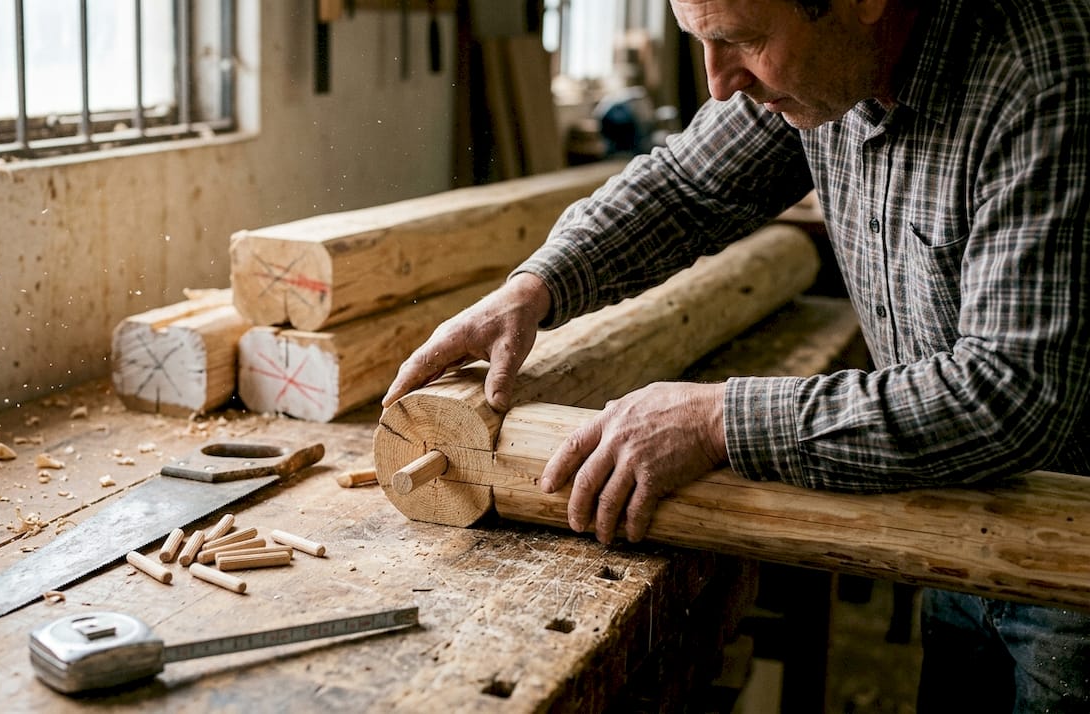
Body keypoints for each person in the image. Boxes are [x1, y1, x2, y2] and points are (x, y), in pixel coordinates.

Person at [383, 0, 1090, 710]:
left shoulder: (1044, 76)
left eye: (740, 41)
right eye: (700, 41)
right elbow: (687, 188)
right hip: (964, 517)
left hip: (1073, 559)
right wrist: (534, 288)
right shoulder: (823, 67)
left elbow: (1009, 393)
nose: (718, 82)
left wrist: (717, 419)